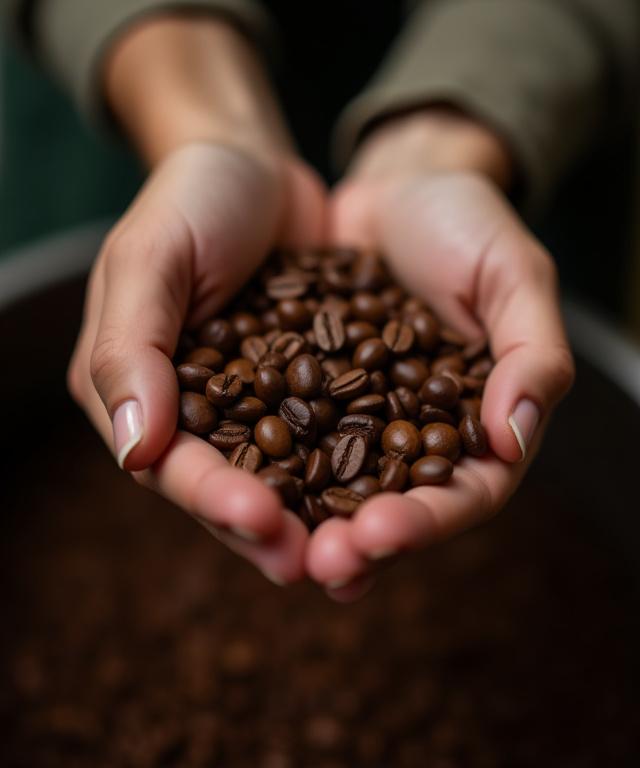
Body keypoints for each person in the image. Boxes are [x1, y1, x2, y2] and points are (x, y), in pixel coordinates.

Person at [3, 0, 638, 601]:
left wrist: (453, 140)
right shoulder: (275, 384)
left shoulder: (371, 386)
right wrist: (198, 114)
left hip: (538, 113)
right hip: (114, 84)